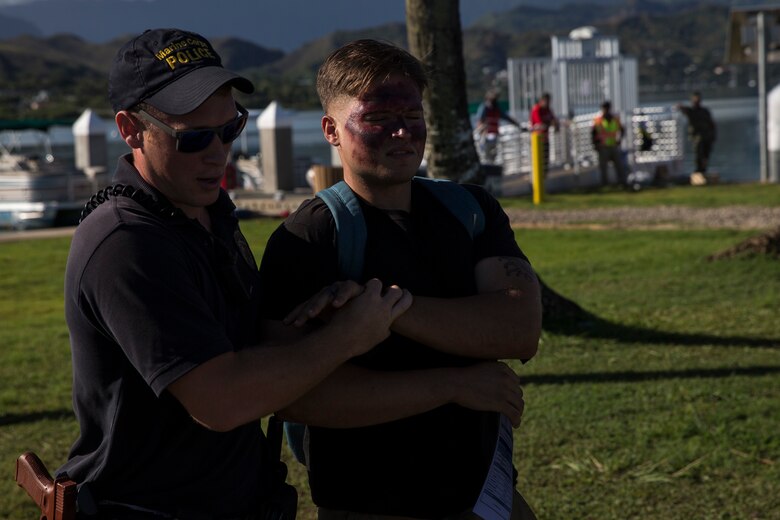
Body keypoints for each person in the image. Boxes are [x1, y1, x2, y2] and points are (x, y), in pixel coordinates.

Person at [58, 28, 413, 519]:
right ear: (130, 128)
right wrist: (346, 338)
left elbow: (238, 345)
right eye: (194, 138)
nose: (217, 154)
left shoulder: (206, 209)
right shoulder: (127, 243)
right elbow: (220, 400)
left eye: (230, 129)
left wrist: (322, 315)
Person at [258, 39, 542, 519]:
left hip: (485, 497)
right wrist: (453, 384)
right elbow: (296, 397)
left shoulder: (469, 210)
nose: (402, 132)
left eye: (413, 115)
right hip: (369, 501)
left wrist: (387, 308)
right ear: (331, 130)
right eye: (377, 118)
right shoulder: (309, 237)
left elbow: (519, 329)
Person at [475, 90, 522, 163]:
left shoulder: (497, 109)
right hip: (485, 136)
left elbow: (507, 118)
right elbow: (480, 121)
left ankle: (491, 165)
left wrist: (518, 125)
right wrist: (482, 129)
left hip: (494, 135)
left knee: (493, 155)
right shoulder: (484, 108)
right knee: (485, 155)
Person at [677, 91, 717, 175]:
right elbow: (683, 109)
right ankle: (699, 171)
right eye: (695, 98)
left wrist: (713, 136)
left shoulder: (705, 111)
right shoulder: (691, 111)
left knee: (706, 155)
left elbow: (712, 124)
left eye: (698, 98)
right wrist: (679, 107)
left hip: (707, 137)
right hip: (697, 138)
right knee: (699, 154)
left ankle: (703, 170)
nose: (697, 100)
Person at [591, 101, 628, 187]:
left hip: (614, 146)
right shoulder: (598, 120)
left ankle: (622, 182)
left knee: (619, 166)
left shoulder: (615, 119)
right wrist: (595, 145)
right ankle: (604, 184)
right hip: (603, 147)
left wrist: (619, 140)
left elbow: (622, 129)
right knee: (603, 168)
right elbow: (593, 133)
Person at [529, 92, 558, 171]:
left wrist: (555, 124)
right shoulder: (536, 109)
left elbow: (554, 120)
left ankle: (544, 179)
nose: (548, 103)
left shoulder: (548, 109)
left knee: (545, 163)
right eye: (546, 101)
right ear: (541, 100)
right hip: (537, 141)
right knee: (538, 163)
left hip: (545, 139)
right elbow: (540, 124)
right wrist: (550, 123)